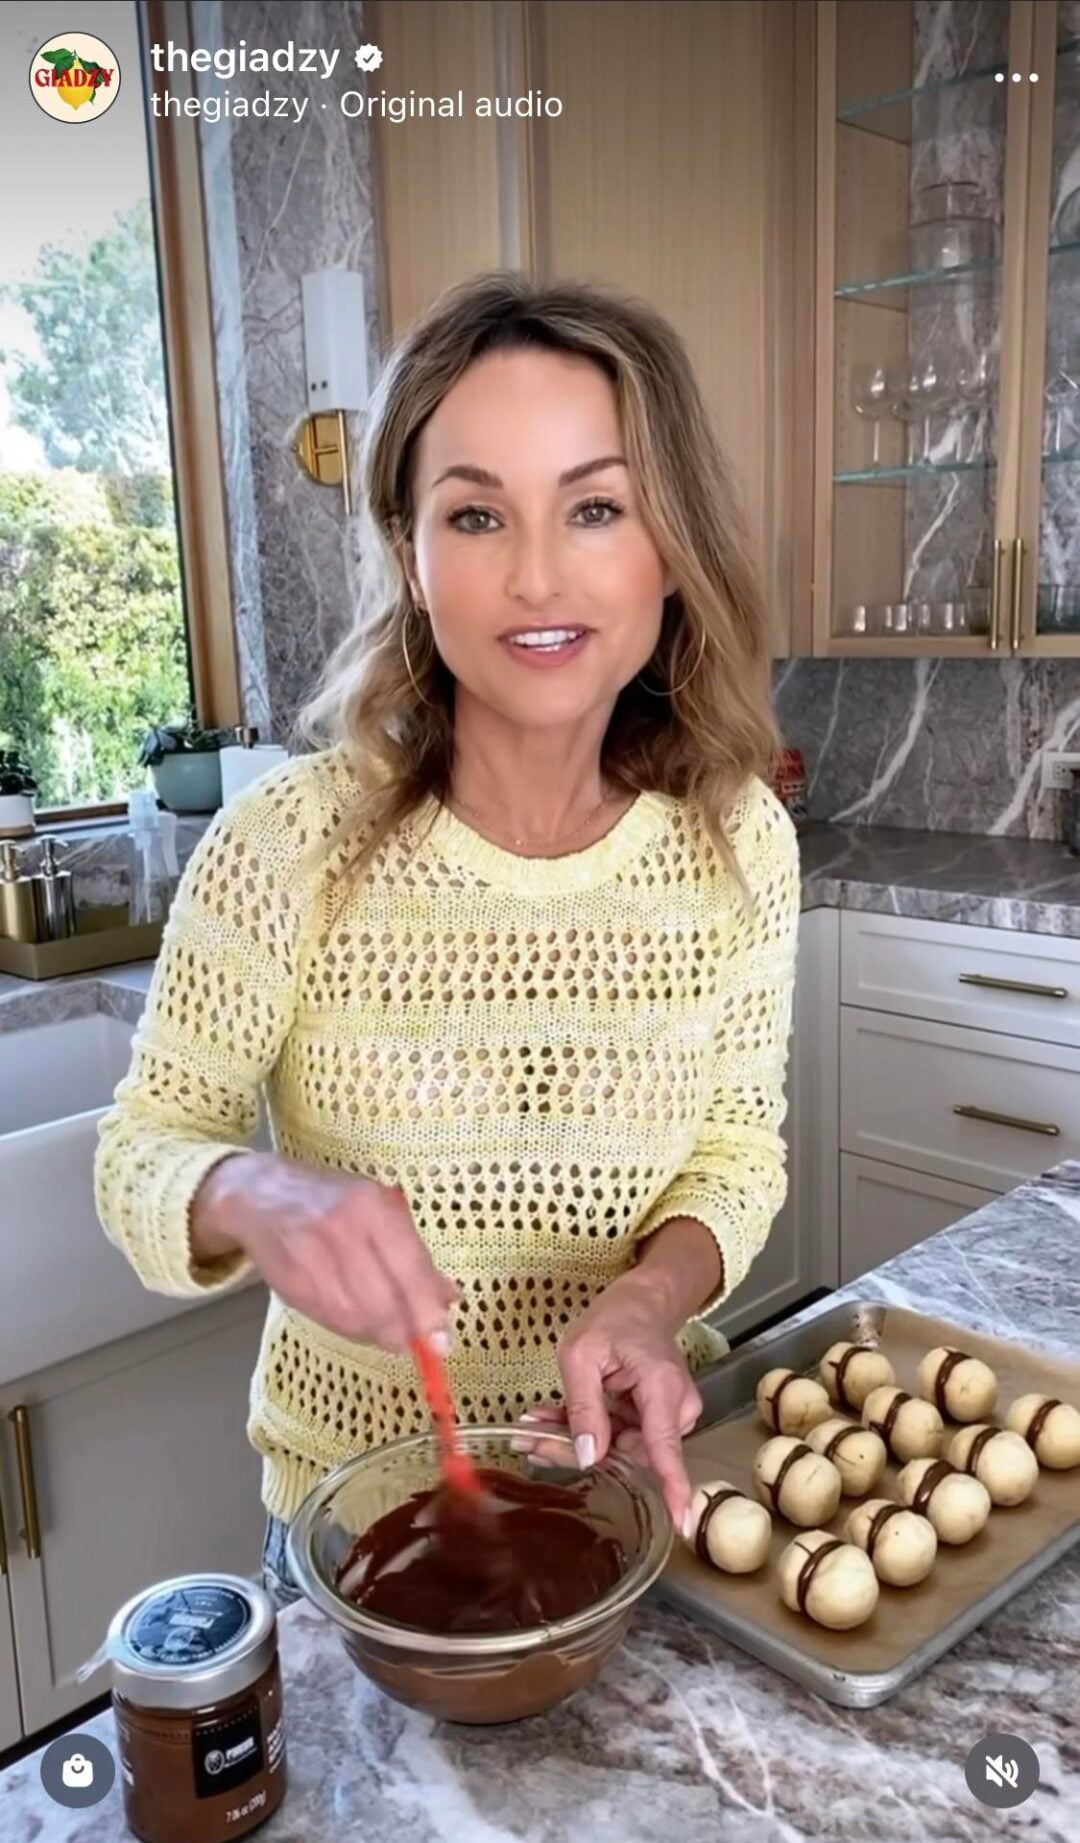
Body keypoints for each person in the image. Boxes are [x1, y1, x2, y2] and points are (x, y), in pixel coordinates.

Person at [94, 270, 800, 1612]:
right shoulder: (287, 847)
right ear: (411, 555)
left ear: (673, 545)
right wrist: (251, 1192)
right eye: (476, 514)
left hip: (623, 1505)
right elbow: (142, 1151)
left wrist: (652, 1298)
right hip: (349, 1549)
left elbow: (736, 1152)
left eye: (596, 508)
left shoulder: (739, 844)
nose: (537, 574)